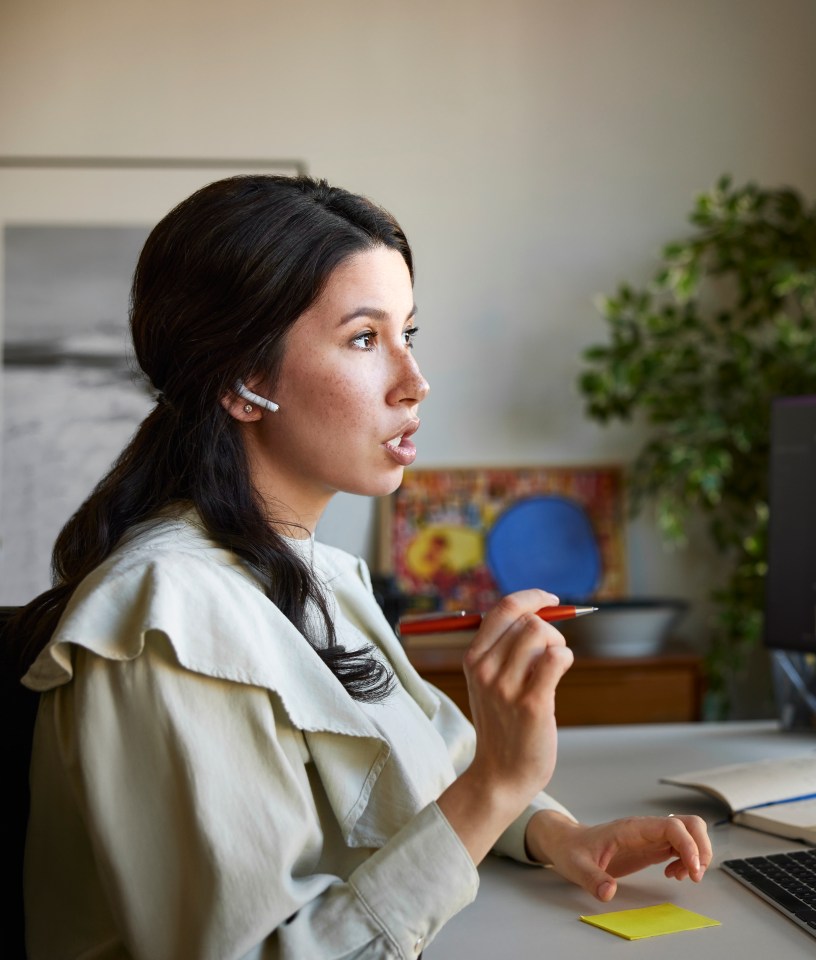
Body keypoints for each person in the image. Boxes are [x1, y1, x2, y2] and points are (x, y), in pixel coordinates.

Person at [13, 175, 711, 958]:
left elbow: (428, 761)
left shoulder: (317, 575)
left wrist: (559, 835)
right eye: (363, 339)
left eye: (407, 335)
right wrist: (498, 783)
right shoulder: (165, 618)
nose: (414, 383)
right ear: (245, 381)